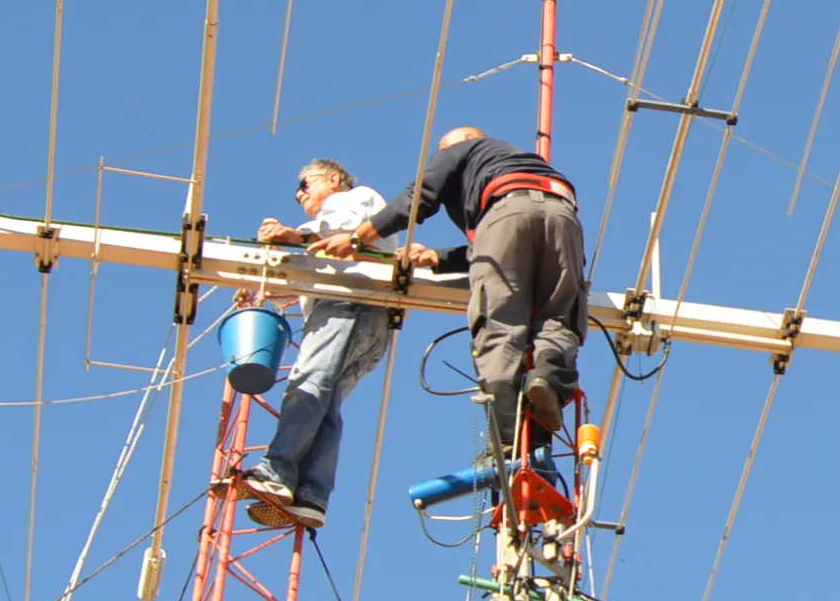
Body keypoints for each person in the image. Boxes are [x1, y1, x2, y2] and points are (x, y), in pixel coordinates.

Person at [318, 124, 583, 464]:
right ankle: (548, 377)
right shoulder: (519, 161)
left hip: (502, 215)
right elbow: (496, 245)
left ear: (465, 141)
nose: (440, 154)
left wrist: (357, 238)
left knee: (499, 326)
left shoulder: (463, 150)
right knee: (558, 315)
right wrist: (437, 258)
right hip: (564, 216)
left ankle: (509, 439)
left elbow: (418, 199)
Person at [237, 158, 393, 527]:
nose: (300, 194)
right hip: (369, 317)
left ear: (333, 179)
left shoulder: (353, 199)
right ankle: (311, 494)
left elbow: (338, 228)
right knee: (326, 403)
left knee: (307, 386)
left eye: (305, 185)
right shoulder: (327, 229)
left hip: (347, 304)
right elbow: (313, 264)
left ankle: (276, 474)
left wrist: (291, 236)